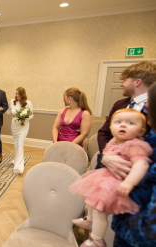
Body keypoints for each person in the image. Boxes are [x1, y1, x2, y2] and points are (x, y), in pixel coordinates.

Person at [70, 109, 152, 247]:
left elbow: (141, 164)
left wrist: (129, 182)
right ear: (111, 127)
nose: (123, 125)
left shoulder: (134, 145)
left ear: (141, 131)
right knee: (91, 200)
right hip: (104, 177)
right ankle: (89, 220)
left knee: (99, 212)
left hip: (115, 183)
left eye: (130, 123)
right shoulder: (114, 141)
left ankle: (96, 239)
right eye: (118, 122)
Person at [110, 83, 156, 247]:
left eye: (153, 100)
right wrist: (104, 157)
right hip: (125, 227)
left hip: (140, 235)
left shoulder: (139, 142)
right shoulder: (150, 135)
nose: (147, 104)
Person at [97, 61, 156, 178]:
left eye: (124, 80)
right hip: (106, 170)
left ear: (137, 82)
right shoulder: (119, 104)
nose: (121, 84)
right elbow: (104, 132)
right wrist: (106, 156)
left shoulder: (153, 106)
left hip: (137, 175)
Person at [6, 87, 33, 175]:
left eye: (18, 94)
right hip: (14, 126)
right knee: (16, 144)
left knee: (20, 144)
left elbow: (31, 115)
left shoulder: (28, 103)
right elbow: (9, 112)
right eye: (16, 93)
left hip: (23, 127)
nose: (16, 95)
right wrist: (3, 108)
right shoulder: (12, 101)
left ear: (22, 94)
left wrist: (25, 119)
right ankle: (17, 160)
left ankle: (18, 168)